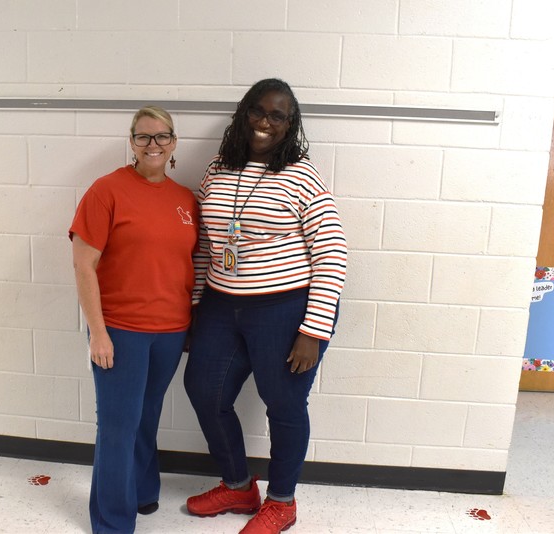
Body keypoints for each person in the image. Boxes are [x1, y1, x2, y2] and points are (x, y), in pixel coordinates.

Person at [184, 78, 348, 533]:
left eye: (277, 115)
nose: (265, 122)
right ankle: (238, 486)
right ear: (244, 114)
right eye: (258, 111)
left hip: (285, 309)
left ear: (290, 124)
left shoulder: (302, 175)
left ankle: (282, 502)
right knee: (203, 390)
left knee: (284, 405)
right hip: (221, 304)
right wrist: (197, 308)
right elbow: (202, 246)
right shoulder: (217, 168)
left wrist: (313, 331)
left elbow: (332, 250)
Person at [69, 105, 198, 533]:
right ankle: (111, 522)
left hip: (169, 332)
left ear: (174, 142)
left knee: (147, 416)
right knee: (118, 427)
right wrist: (99, 334)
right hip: (121, 331)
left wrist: (190, 327)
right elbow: (84, 265)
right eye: (143, 137)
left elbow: (187, 266)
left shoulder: (185, 201)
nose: (153, 145)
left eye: (162, 136)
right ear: (132, 142)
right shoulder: (106, 191)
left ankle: (143, 492)